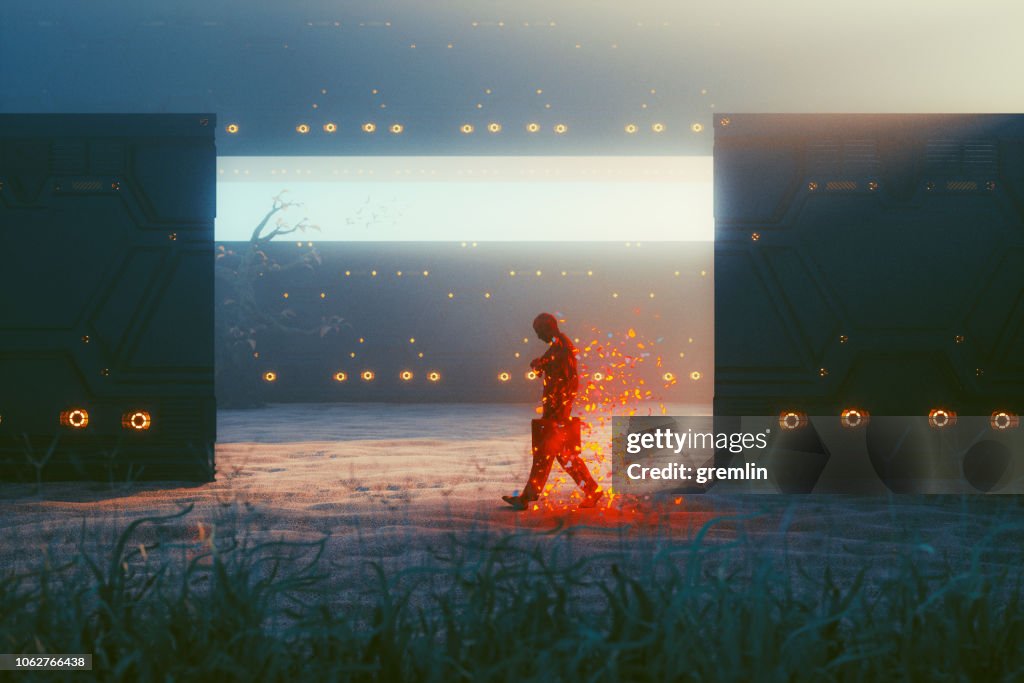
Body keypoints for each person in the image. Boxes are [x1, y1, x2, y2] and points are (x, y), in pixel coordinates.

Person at [503, 313, 602, 510]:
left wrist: (557, 410)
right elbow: (549, 369)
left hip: (557, 412)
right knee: (564, 457)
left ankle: (526, 498)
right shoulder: (558, 347)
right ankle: (591, 490)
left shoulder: (562, 349)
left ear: (550, 328)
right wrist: (539, 365)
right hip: (557, 410)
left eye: (540, 332)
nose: (538, 337)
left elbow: (569, 381)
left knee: (546, 455)